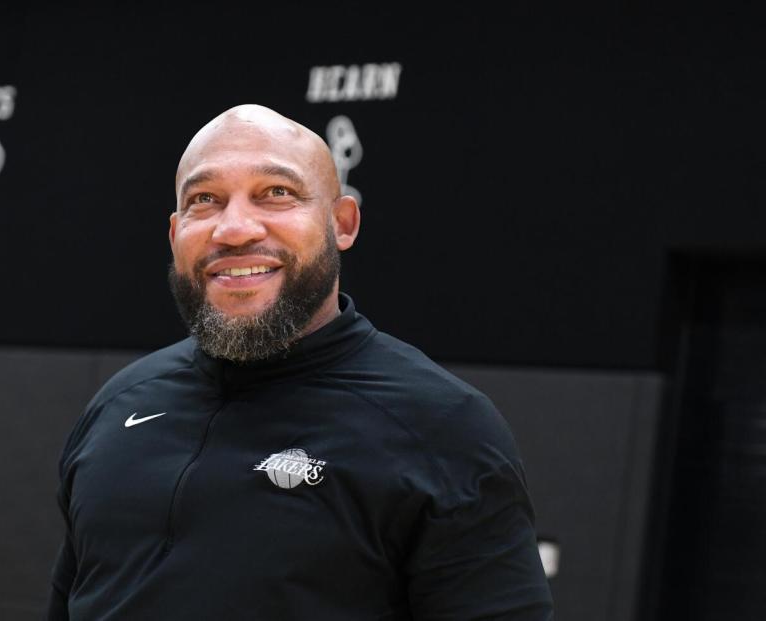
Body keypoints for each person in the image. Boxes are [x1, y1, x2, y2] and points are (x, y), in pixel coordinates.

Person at [48, 104, 554, 620]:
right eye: (206, 200)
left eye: (276, 193)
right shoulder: (118, 404)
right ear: (176, 232)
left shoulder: (443, 427)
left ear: (342, 223)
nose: (236, 228)